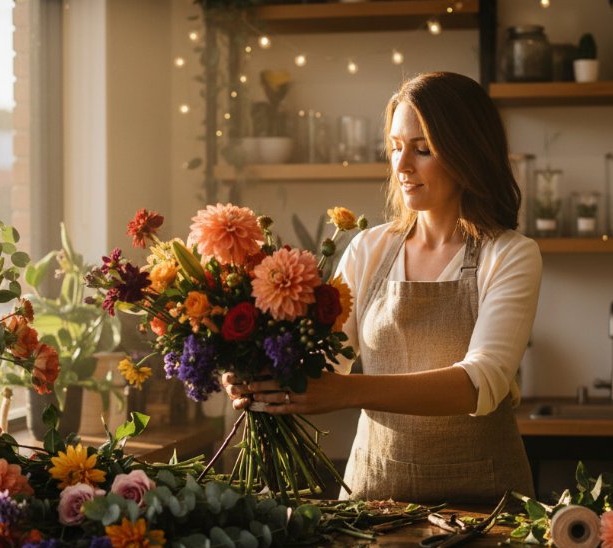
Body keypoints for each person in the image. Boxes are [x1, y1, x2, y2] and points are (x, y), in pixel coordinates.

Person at [223, 71, 542, 504]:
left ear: (467, 154)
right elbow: (325, 362)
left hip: (484, 506)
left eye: (422, 149)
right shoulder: (370, 248)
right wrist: (256, 374)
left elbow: (480, 384)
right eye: (395, 148)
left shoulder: (509, 255)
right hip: (374, 499)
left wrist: (348, 391)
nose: (402, 166)